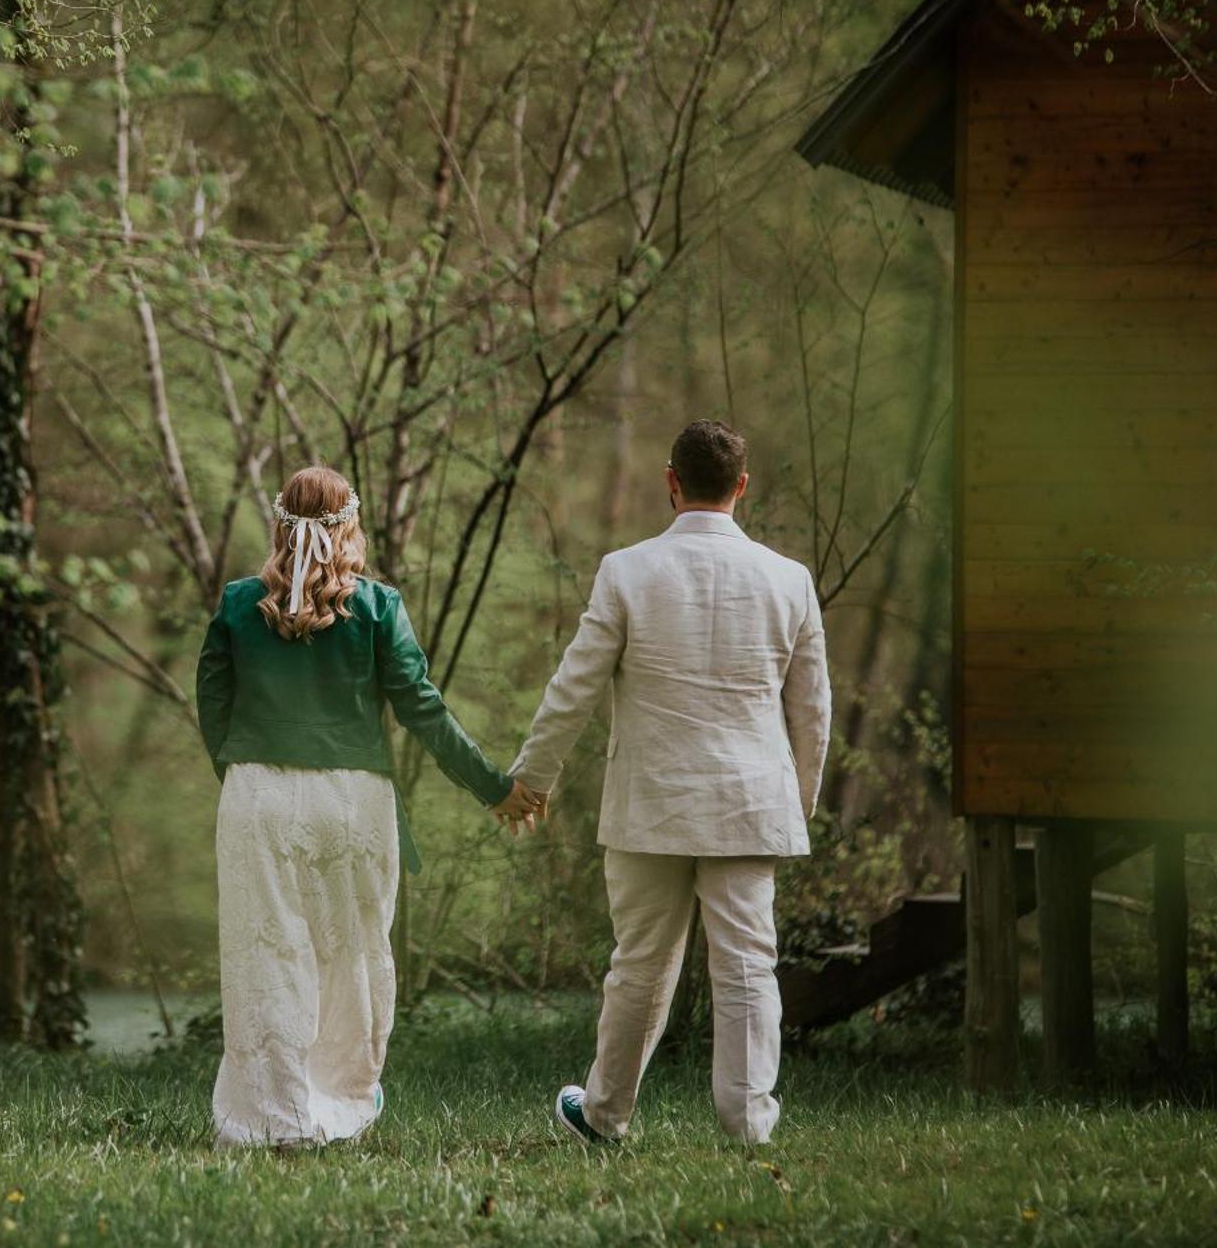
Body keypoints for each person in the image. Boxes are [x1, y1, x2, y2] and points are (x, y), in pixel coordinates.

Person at [196, 466, 544, 1148]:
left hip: (257, 797)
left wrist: (244, 775)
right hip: (352, 805)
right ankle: (334, 1105)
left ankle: (275, 1114)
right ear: (351, 526)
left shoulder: (239, 605)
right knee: (349, 958)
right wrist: (493, 785)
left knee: (266, 957)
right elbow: (424, 709)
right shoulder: (379, 607)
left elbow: (212, 706)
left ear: (278, 522)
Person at [510, 419, 831, 1146]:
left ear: (670, 480)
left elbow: (574, 688)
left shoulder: (627, 570)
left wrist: (532, 777)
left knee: (640, 966)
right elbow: (812, 711)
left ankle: (604, 1113)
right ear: (741, 486)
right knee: (749, 965)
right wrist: (797, 804)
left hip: (650, 803)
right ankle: (749, 1123)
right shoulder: (790, 580)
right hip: (751, 802)